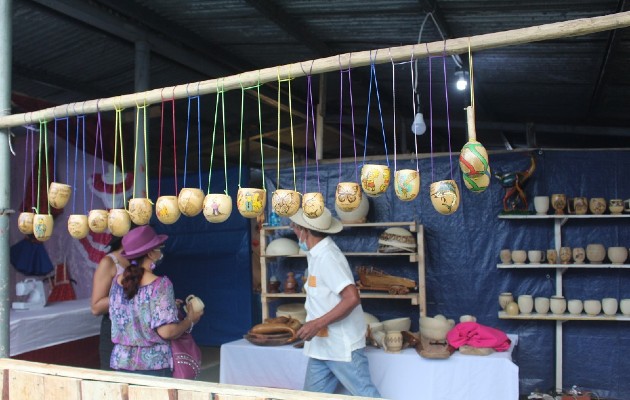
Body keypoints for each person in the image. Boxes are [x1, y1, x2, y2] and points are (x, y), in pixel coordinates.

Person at [289, 207, 380, 397]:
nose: (293, 229)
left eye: (295, 227)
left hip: (341, 347)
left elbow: (352, 297)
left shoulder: (328, 257)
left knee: (366, 395)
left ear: (304, 231)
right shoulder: (315, 254)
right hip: (321, 347)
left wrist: (317, 323)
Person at [109, 225, 203, 376]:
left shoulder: (117, 282)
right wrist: (190, 320)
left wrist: (170, 307)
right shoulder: (160, 284)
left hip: (120, 363)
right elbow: (167, 331)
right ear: (152, 253)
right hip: (153, 366)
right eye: (160, 247)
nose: (161, 251)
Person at [91, 235, 130, 370]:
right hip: (114, 329)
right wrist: (127, 293)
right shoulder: (109, 262)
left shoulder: (140, 259)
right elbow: (96, 307)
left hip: (136, 332)